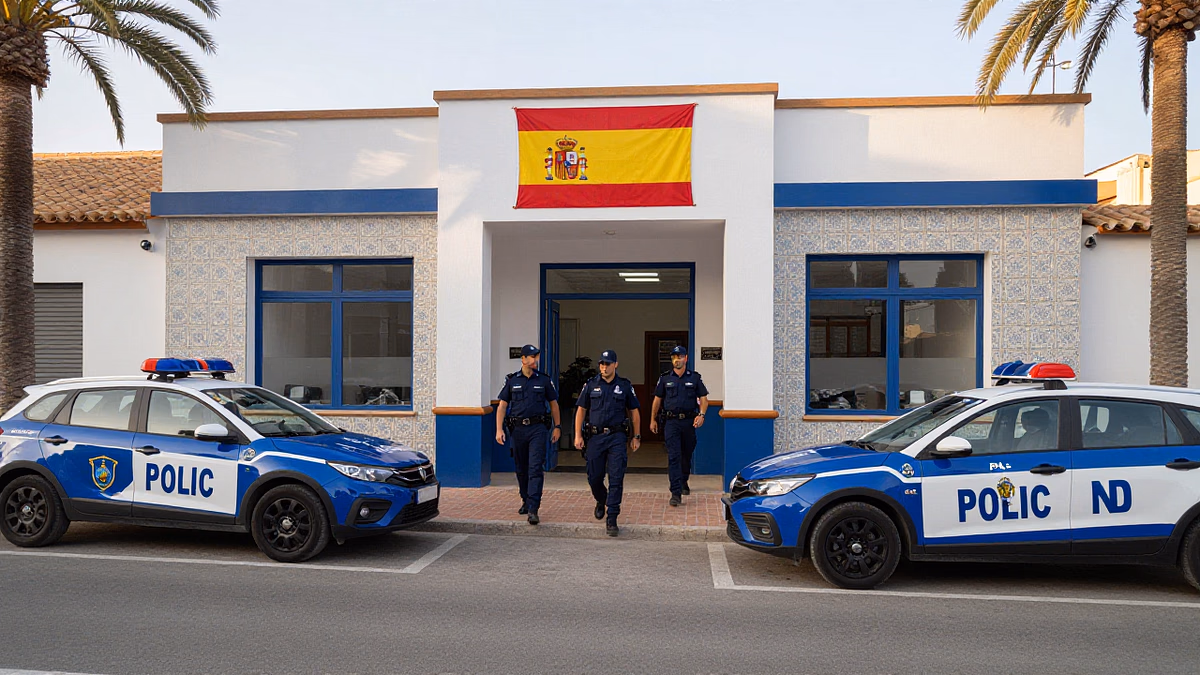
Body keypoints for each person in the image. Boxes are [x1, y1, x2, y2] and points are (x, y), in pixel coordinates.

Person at [573, 349, 640, 537]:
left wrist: (636, 436)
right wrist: (578, 435)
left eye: (607, 364)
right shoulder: (591, 385)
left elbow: (634, 412)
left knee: (616, 477)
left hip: (617, 437)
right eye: (601, 364)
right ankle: (601, 500)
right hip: (595, 437)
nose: (604, 367)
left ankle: (612, 518)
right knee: (594, 477)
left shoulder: (624, 386)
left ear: (615, 365)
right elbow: (581, 410)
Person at [495, 344, 561, 525]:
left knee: (535, 469)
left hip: (538, 429)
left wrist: (558, 426)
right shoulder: (511, 380)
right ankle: (525, 499)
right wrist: (499, 430)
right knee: (521, 469)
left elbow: (554, 404)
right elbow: (502, 406)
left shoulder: (544, 380)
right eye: (531, 357)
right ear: (523, 359)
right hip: (517, 430)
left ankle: (533, 508)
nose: (534, 360)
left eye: (536, 357)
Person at [650, 345, 709, 506]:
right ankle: (675, 492)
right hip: (671, 422)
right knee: (674, 456)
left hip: (689, 422)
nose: (677, 360)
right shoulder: (664, 379)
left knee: (686, 454)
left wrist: (701, 414)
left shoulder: (694, 378)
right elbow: (657, 400)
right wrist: (652, 419)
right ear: (672, 360)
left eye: (680, 356)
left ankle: (683, 480)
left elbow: (703, 398)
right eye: (675, 357)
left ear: (686, 359)